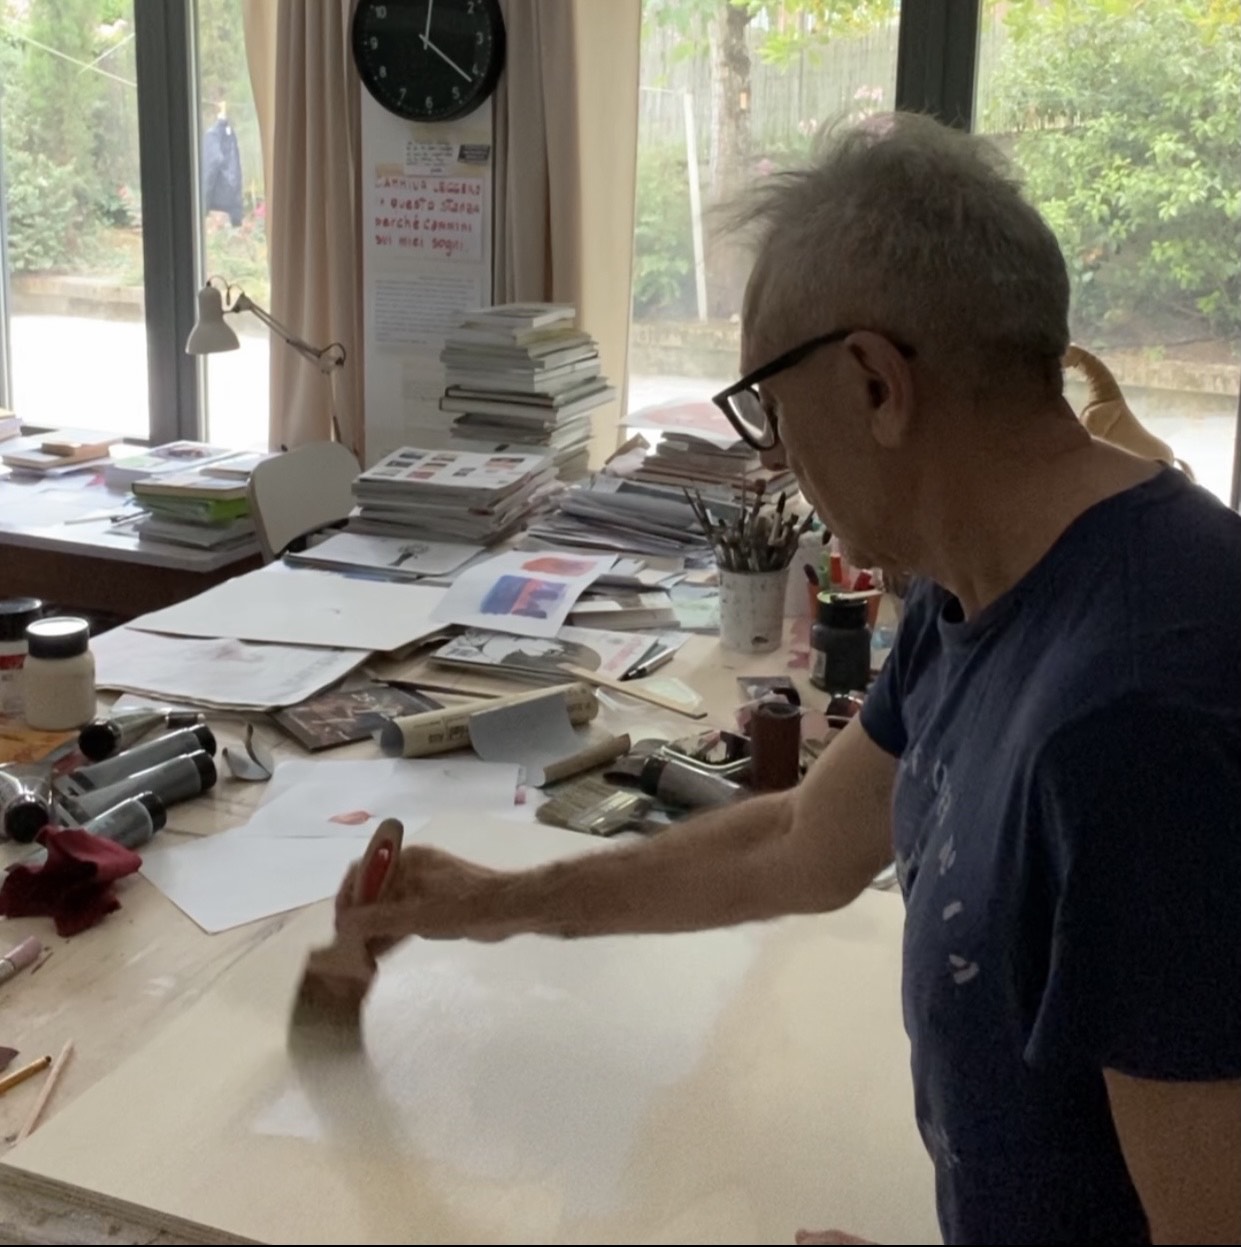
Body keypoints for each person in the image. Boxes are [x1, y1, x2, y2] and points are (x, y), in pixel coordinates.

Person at [336, 114, 1241, 1245]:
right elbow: (801, 840)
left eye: (769, 407)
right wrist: (495, 902)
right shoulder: (974, 582)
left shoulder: (1142, 716)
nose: (774, 455)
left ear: (873, 382)